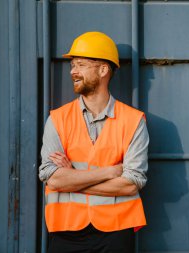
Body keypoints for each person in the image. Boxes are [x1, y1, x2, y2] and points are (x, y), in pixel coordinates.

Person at [38, 31, 149, 253]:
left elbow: (131, 182)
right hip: (66, 231)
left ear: (103, 70)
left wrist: (73, 178)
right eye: (72, 66)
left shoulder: (134, 120)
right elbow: (53, 180)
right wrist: (109, 172)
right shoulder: (58, 118)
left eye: (80, 64)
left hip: (117, 231)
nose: (73, 72)